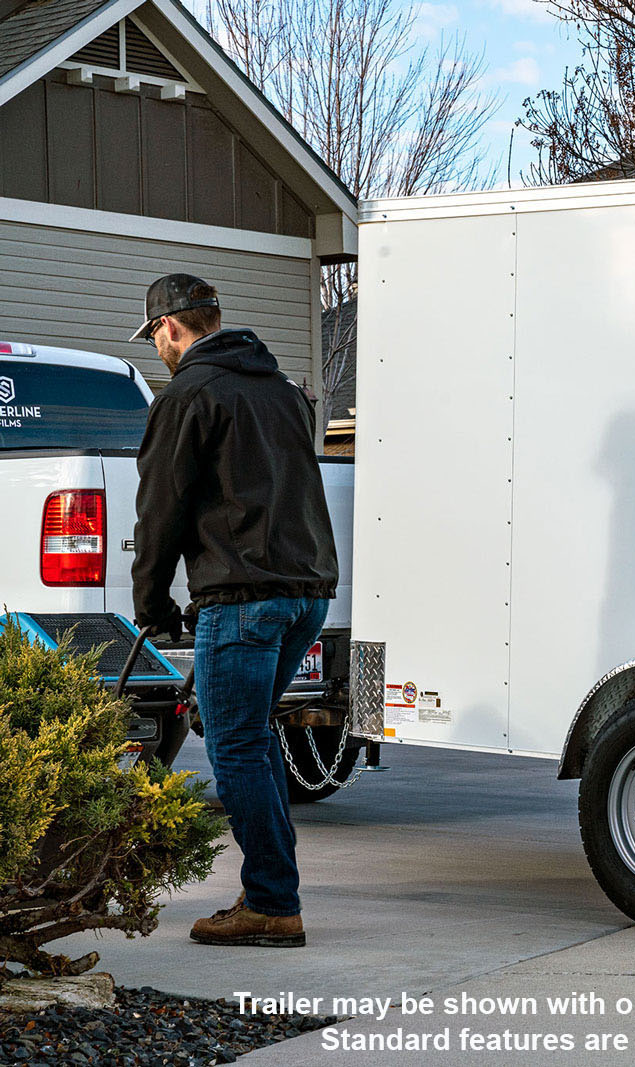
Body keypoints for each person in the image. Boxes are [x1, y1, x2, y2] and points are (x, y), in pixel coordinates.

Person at [130, 273, 338, 948]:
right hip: (304, 593)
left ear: (171, 328)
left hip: (243, 600)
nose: (157, 349)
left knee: (236, 744)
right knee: (251, 738)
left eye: (155, 337)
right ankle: (267, 889)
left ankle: (274, 904)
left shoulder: (189, 393)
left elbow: (160, 507)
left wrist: (151, 605)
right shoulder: (282, 393)